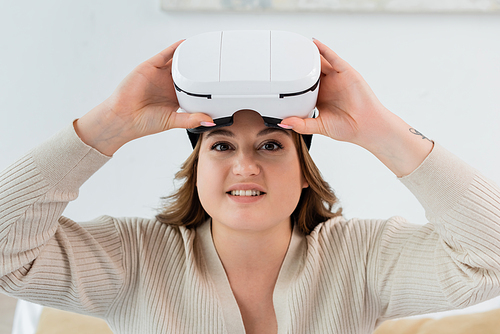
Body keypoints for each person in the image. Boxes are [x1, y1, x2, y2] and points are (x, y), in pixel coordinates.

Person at [1, 38, 499, 334]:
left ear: (304, 171)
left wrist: (379, 128)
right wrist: (108, 123)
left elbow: (490, 259)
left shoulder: (363, 256)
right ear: (196, 168)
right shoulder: (132, 255)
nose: (244, 166)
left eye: (270, 146)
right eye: (220, 146)